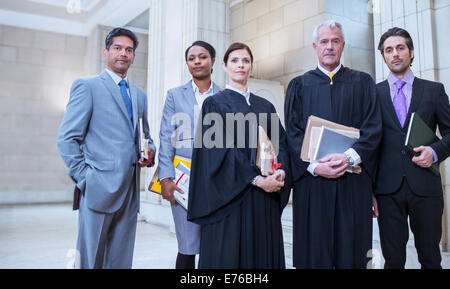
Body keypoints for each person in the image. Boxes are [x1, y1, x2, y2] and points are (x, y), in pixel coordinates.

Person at [284, 20, 382, 269]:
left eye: (335, 41)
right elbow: (293, 134)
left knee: (353, 251)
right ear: (315, 46)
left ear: (343, 46)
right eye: (324, 41)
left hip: (353, 182)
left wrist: (349, 157)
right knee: (315, 251)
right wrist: (315, 167)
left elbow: (373, 128)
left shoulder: (363, 82)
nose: (330, 47)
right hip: (313, 184)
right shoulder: (299, 85)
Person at [57, 27, 156, 269]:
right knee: (90, 260)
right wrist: (85, 179)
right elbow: (67, 138)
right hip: (98, 188)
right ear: (106, 52)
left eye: (129, 50)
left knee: (121, 259)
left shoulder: (139, 95)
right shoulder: (87, 86)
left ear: (133, 56)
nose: (123, 53)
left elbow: (146, 137)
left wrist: (149, 152)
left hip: (130, 190)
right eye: (117, 48)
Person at [187, 42, 291, 269]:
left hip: (264, 201)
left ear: (251, 66)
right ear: (224, 66)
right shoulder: (214, 104)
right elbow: (218, 152)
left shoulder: (265, 105)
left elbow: (280, 143)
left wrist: (281, 171)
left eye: (245, 60)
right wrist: (257, 180)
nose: (240, 65)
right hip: (230, 199)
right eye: (234, 60)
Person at [374, 27, 450, 269]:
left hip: (425, 188)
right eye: (389, 50)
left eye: (400, 48)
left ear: (411, 52)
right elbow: (367, 144)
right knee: (393, 261)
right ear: (383, 56)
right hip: (387, 191)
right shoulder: (372, 94)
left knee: (430, 258)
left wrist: (435, 152)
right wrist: (368, 190)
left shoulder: (434, 90)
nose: (395, 53)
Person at [158, 41, 221, 269]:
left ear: (213, 61)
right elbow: (166, 137)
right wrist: (165, 178)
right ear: (187, 63)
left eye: (202, 57)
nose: (197, 61)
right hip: (183, 180)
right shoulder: (175, 95)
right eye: (191, 58)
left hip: (217, 180)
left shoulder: (224, 95)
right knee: (187, 246)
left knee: (214, 245)